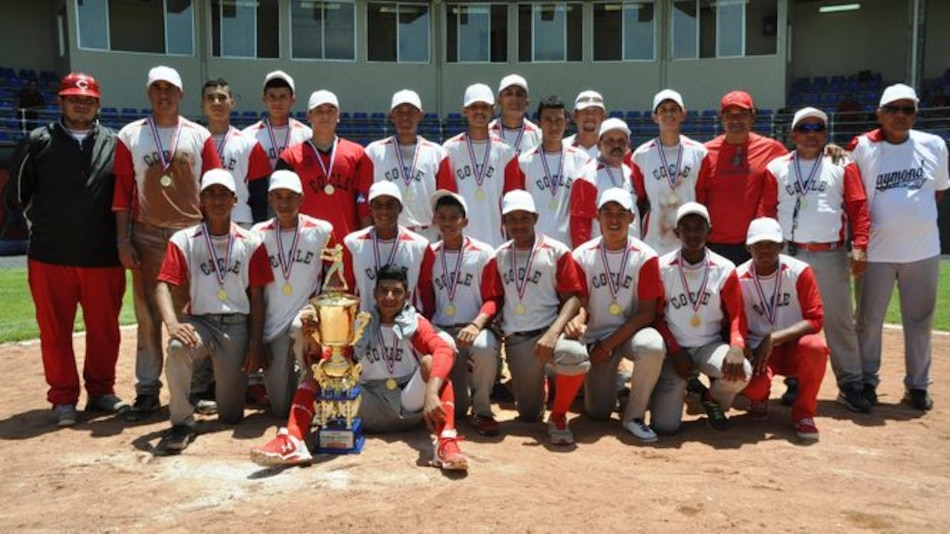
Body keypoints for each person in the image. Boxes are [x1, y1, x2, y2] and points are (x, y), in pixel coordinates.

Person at [250, 264, 468, 471]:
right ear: (374, 294)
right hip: (366, 402)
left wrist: (430, 393)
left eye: (396, 292)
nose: (389, 297)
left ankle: (445, 443)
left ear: (407, 295)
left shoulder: (415, 323)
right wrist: (314, 341)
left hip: (408, 402)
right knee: (318, 370)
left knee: (432, 365)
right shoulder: (360, 324)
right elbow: (335, 361)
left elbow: (445, 350)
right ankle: (293, 439)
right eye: (384, 291)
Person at [6, 72, 127, 427]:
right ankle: (62, 398)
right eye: (74, 98)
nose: (81, 104)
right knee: (55, 331)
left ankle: (101, 391)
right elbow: (16, 196)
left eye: (88, 99)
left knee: (104, 330)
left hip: (102, 257)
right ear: (61, 101)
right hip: (49, 256)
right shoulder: (37, 141)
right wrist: (43, 224)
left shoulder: (115, 143)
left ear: (98, 104)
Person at [113, 66, 221, 421]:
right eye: (157, 88)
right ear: (149, 93)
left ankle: (196, 387)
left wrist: (212, 234)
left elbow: (214, 185)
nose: (164, 94)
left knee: (194, 311)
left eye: (170, 88)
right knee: (147, 314)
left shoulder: (198, 134)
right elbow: (122, 191)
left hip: (189, 231)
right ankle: (147, 389)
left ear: (181, 94)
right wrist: (122, 238)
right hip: (146, 232)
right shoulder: (131, 134)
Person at [759, 106, 872, 413]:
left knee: (838, 321)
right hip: (788, 253)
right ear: (793, 134)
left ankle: (850, 383)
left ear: (826, 135)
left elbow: (858, 208)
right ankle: (794, 380)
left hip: (830, 253)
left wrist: (860, 244)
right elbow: (766, 211)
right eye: (804, 128)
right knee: (790, 320)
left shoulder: (841, 163)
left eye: (818, 129)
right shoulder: (777, 166)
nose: (811, 134)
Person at [154, 169, 272, 453]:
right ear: (201, 201)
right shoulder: (184, 239)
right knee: (177, 347)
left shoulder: (251, 241)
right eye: (210, 194)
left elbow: (257, 297)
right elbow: (161, 286)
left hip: (236, 327)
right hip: (201, 323)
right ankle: (181, 421)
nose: (217, 200)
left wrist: (256, 343)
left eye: (223, 194)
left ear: (234, 200)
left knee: (231, 415)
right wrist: (172, 323)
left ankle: (216, 396)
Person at [849, 83, 949, 411]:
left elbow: (937, 191)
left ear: (916, 114)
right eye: (893, 109)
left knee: (920, 322)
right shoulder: (864, 146)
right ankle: (867, 381)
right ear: (880, 113)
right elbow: (851, 192)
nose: (901, 115)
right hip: (876, 251)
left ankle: (918, 386)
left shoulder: (933, 144)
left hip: (922, 250)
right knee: (868, 321)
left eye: (908, 109)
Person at [483, 190, 590, 445]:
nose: (518, 225)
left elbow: (574, 297)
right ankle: (546, 384)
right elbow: (495, 299)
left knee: (573, 355)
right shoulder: (498, 256)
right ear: (504, 222)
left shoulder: (556, 250)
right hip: (518, 339)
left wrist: (554, 333)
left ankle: (560, 415)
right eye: (512, 219)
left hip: (551, 331)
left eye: (524, 218)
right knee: (530, 416)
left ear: (535, 217)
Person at [567, 188, 665, 442]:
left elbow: (646, 313)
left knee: (652, 345)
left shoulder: (646, 256)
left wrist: (608, 345)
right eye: (607, 213)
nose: (614, 220)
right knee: (598, 413)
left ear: (632, 217)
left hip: (630, 333)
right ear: (597, 217)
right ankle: (617, 389)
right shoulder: (582, 255)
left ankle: (634, 415)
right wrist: (578, 321)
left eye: (621, 214)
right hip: (597, 337)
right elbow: (582, 305)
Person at [650, 202, 750, 433]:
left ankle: (712, 398)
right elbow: (654, 317)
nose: (693, 233)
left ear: (710, 230)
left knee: (740, 371)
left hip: (710, 346)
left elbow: (737, 314)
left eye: (699, 227)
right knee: (664, 427)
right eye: (686, 228)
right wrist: (674, 350)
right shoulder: (663, 267)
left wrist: (736, 345)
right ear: (677, 232)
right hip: (674, 351)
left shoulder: (724, 268)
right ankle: (678, 390)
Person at [251, 170, 335, 418]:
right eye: (278, 197)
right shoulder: (258, 234)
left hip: (308, 322)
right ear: (270, 200)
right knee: (281, 409)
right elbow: (253, 290)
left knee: (301, 326)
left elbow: (334, 278)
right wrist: (258, 340)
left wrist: (319, 310)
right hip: (273, 327)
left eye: (291, 197)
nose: (285, 203)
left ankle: (311, 383)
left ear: (302, 199)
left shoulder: (322, 231)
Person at [737, 217, 828, 440]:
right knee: (753, 387)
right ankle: (760, 398)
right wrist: (745, 345)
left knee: (816, 347)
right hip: (760, 349)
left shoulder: (799, 271)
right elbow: (735, 321)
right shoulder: (738, 277)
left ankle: (804, 413)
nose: (764, 250)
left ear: (781, 245)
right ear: (748, 247)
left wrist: (775, 338)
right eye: (758, 244)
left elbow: (815, 319)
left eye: (770, 244)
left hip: (794, 345)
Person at [428, 190, 501, 435]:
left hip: (474, 327)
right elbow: (426, 300)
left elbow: (493, 298)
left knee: (484, 347)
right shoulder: (428, 254)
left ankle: (482, 410)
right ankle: (456, 401)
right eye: (442, 217)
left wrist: (476, 325)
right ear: (434, 220)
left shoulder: (483, 253)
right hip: (444, 330)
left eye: (454, 218)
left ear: (465, 221)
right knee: (457, 411)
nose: (447, 223)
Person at [698, 90, 788, 265]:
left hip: (756, 242)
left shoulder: (772, 149)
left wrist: (828, 150)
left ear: (752, 116)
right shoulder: (705, 152)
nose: (735, 120)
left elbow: (799, 163)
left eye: (742, 114)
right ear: (721, 118)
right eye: (729, 115)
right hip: (714, 242)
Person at [277, 90, 372, 245]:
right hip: (303, 243)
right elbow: (280, 205)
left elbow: (365, 207)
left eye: (330, 111)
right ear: (309, 116)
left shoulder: (358, 154)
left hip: (347, 242)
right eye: (319, 111)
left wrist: (366, 243)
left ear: (338, 115)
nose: (325, 116)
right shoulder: (290, 158)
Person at [437, 83, 523, 248]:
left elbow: (513, 199)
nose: (479, 112)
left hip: (495, 239)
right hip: (460, 240)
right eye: (474, 107)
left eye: (484, 107)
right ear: (465, 111)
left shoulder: (506, 151)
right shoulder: (449, 149)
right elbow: (446, 199)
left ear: (493, 110)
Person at [632, 89, 710, 256]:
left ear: (683, 114)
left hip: (690, 237)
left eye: (674, 109)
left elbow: (702, 195)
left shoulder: (699, 152)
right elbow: (640, 197)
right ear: (654, 116)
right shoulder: (640, 155)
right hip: (655, 237)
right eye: (663, 109)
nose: (669, 114)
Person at [515, 95, 598, 248]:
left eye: (558, 120)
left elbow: (585, 210)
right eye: (548, 120)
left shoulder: (581, 160)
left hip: (568, 245)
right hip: (535, 244)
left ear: (566, 123)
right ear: (538, 123)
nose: (553, 126)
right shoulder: (524, 162)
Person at [341, 181, 435, 316]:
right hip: (365, 325)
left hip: (406, 326)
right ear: (370, 209)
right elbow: (347, 289)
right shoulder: (352, 244)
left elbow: (426, 293)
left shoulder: (420, 246)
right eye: (377, 205)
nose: (384, 211)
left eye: (390, 205)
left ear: (400, 208)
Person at [363, 90, 446, 242]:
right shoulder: (374, 151)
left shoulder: (437, 152)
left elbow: (445, 199)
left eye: (411, 111)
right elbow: (363, 197)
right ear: (391, 115)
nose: (405, 117)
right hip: (386, 234)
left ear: (420, 115)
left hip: (427, 234)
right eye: (399, 111)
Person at [201, 78, 272, 226]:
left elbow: (259, 195)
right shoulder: (194, 142)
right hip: (202, 222)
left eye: (222, 98)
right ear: (203, 105)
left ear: (232, 103)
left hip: (241, 222)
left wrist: (258, 230)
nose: (216, 102)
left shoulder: (249, 144)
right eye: (210, 98)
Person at [242, 70, 312, 170]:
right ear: (264, 99)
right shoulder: (248, 136)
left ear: (292, 100)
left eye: (283, 97)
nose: (277, 102)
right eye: (272, 96)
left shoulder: (307, 135)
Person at [590, 118, 639, 238]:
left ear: (629, 144)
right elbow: (580, 221)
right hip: (601, 252)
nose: (616, 145)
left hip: (632, 250)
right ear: (599, 145)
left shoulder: (631, 173)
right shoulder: (588, 175)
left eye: (621, 141)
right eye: (610, 141)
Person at [489, 74, 542, 155]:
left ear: (527, 102)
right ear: (499, 100)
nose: (514, 99)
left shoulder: (538, 136)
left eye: (519, 95)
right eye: (508, 94)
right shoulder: (487, 133)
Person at [563, 90, 606, 159]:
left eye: (595, 111)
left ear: (603, 117)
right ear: (575, 116)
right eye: (585, 111)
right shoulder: (562, 148)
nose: (590, 116)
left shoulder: (612, 151)